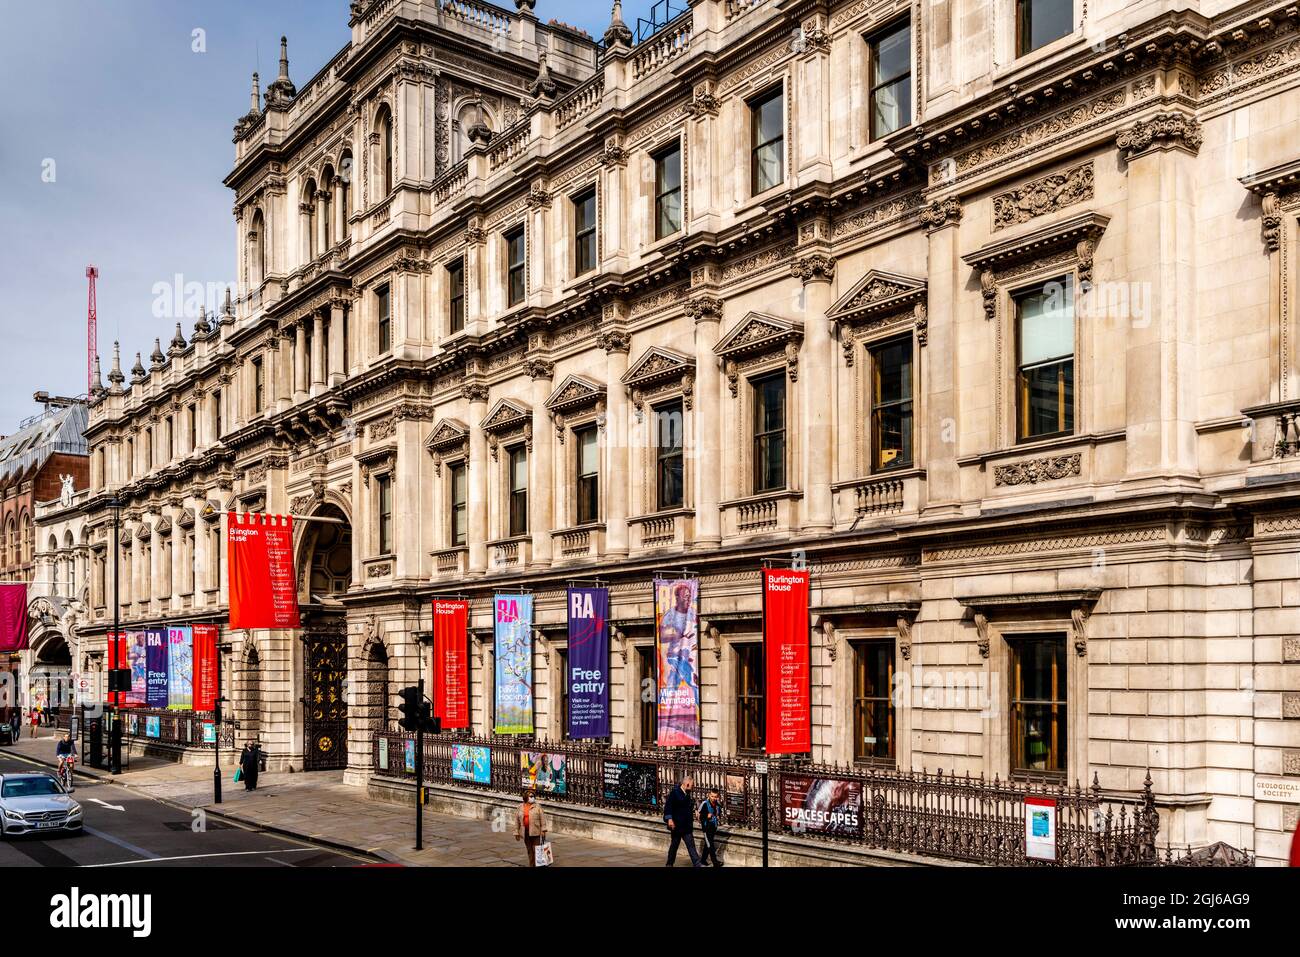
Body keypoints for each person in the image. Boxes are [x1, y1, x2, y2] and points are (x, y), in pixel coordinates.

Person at [663, 773, 701, 867]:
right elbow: (668, 807)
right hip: (676, 826)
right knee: (674, 846)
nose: (693, 787)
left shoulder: (687, 793)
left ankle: (697, 864)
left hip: (686, 826)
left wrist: (696, 810)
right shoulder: (675, 793)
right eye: (692, 785)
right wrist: (669, 819)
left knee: (691, 846)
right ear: (687, 784)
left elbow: (688, 806)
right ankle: (669, 863)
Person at [514, 789, 549, 867]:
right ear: (526, 797)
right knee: (529, 850)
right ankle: (531, 864)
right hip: (525, 832)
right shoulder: (520, 807)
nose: (532, 798)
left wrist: (543, 830)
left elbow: (542, 818)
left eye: (533, 796)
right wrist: (516, 832)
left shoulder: (537, 806)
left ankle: (538, 865)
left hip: (535, 831)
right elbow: (517, 820)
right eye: (531, 796)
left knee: (536, 850)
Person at [698, 788, 723, 866]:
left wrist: (718, 817)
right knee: (710, 845)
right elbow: (700, 816)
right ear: (709, 795)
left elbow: (719, 813)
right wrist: (706, 816)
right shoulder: (705, 804)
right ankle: (715, 862)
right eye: (712, 796)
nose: (714, 798)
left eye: (715, 797)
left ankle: (703, 860)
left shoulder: (717, 804)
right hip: (706, 828)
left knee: (707, 844)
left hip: (713, 827)